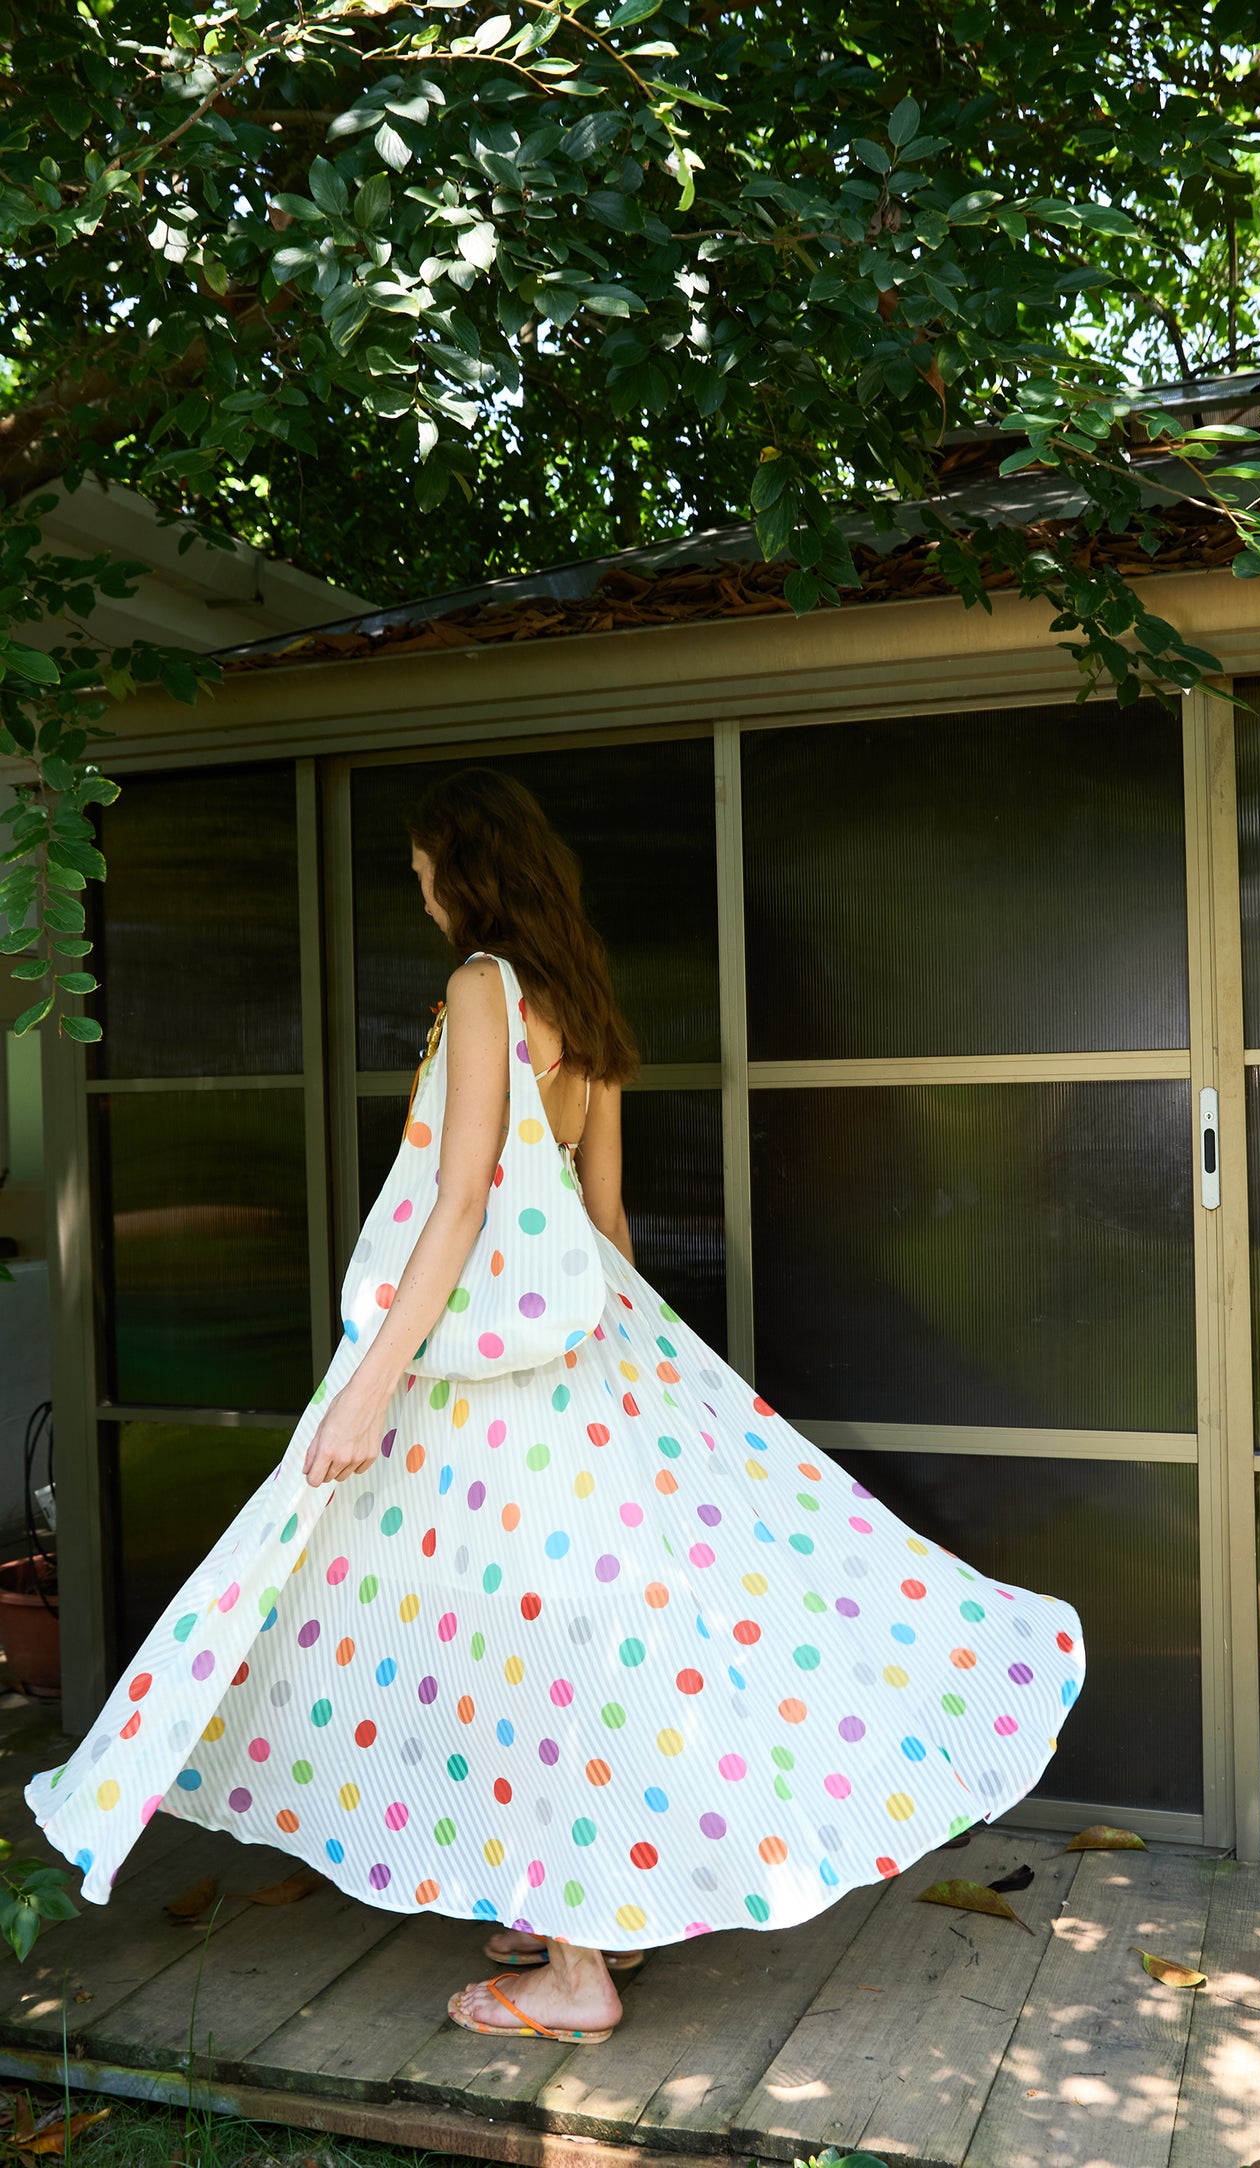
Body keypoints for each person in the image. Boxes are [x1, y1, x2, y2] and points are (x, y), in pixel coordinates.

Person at [29, 767, 1084, 2047]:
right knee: (591, 1631)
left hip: (488, 1388)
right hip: (588, 1361)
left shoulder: (481, 986)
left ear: (464, 871)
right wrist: (633, 1367)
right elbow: (607, 1222)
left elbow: (460, 1200)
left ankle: (577, 1969)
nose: (414, 889)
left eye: (422, 868)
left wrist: (370, 1378)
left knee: (524, 1647)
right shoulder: (583, 1003)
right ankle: (580, 1900)